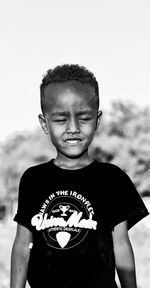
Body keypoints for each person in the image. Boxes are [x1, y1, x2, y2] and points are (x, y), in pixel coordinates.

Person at [10, 64, 149, 288]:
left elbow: (121, 245)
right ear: (45, 123)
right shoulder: (33, 179)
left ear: (97, 120)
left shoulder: (112, 179)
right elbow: (22, 246)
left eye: (84, 118)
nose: (73, 127)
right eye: (60, 119)